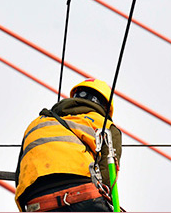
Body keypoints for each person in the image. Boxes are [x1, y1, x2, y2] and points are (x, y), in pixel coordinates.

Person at [14, 79, 122, 212]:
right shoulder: (104, 125)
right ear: (105, 107)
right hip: (82, 196)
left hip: (36, 202)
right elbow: (108, 173)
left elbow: (19, 174)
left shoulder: (37, 122)